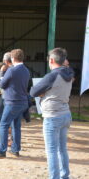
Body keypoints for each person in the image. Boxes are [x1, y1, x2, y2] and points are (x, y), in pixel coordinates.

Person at [30, 48, 74, 179]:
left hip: (52, 116)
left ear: (51, 60)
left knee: (52, 151)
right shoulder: (70, 73)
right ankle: (64, 175)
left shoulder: (52, 76)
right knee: (62, 149)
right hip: (66, 113)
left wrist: (45, 93)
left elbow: (33, 92)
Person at [0, 49, 30, 158]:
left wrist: (2, 74)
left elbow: (2, 84)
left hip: (13, 102)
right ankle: (15, 149)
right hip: (23, 102)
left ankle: (1, 151)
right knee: (16, 125)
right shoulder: (26, 70)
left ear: (12, 58)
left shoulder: (12, 70)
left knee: (3, 124)